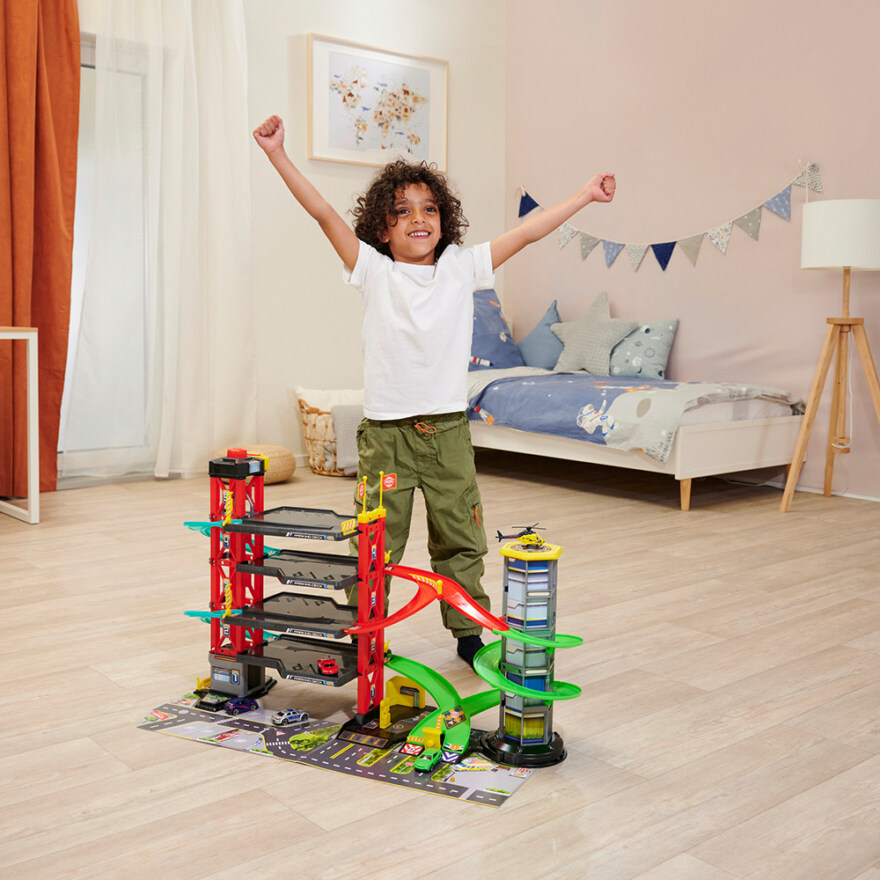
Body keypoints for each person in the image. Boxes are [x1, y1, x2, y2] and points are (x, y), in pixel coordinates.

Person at [253, 114, 615, 667]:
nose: (418, 219)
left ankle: (469, 635)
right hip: (387, 439)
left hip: (446, 434)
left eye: (429, 209)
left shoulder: (462, 268)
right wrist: (278, 154)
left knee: (461, 539)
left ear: (444, 221)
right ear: (382, 230)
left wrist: (585, 196)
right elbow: (323, 212)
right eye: (402, 211)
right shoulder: (373, 270)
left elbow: (529, 232)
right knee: (374, 542)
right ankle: (366, 634)